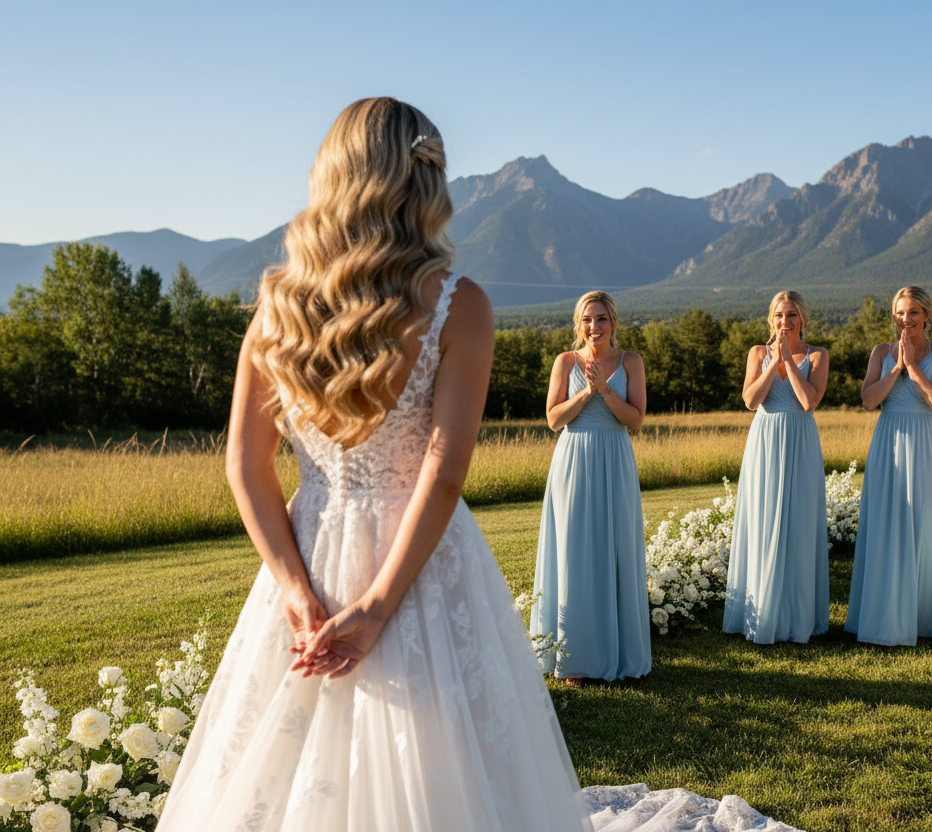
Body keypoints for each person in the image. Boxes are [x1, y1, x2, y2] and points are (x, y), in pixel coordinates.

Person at [156, 98, 593, 831]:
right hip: (418, 561)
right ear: (425, 182)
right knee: (443, 764)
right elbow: (444, 468)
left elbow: (245, 464)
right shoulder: (460, 305)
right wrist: (380, 605)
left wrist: (296, 590)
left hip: (310, 551)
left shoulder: (274, 310)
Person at [530, 291, 651, 682]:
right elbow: (553, 419)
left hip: (614, 458)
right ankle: (573, 656)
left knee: (614, 548)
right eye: (587, 319)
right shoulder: (565, 362)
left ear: (613, 322)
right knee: (574, 549)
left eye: (601, 319)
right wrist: (586, 389)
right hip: (574, 459)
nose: (594, 327)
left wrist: (605, 389)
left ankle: (616, 653)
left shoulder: (631, 362)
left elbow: (635, 420)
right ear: (578, 324)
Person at [845, 286, 932, 646]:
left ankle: (922, 616)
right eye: (899, 312)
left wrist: (914, 367)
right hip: (887, 439)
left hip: (924, 440)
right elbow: (868, 401)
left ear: (927, 315)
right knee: (886, 521)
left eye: (912, 312)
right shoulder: (881, 352)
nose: (905, 319)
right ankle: (882, 612)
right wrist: (896, 368)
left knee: (923, 522)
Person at [722, 290, 831, 644]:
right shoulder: (757, 353)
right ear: (772, 320)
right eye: (779, 316)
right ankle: (759, 614)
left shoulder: (817, 356)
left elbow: (807, 402)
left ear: (803, 319)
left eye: (792, 316)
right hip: (765, 442)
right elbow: (751, 401)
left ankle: (797, 618)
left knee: (798, 523)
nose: (785, 322)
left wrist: (789, 361)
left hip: (800, 442)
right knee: (763, 521)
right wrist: (774, 363)